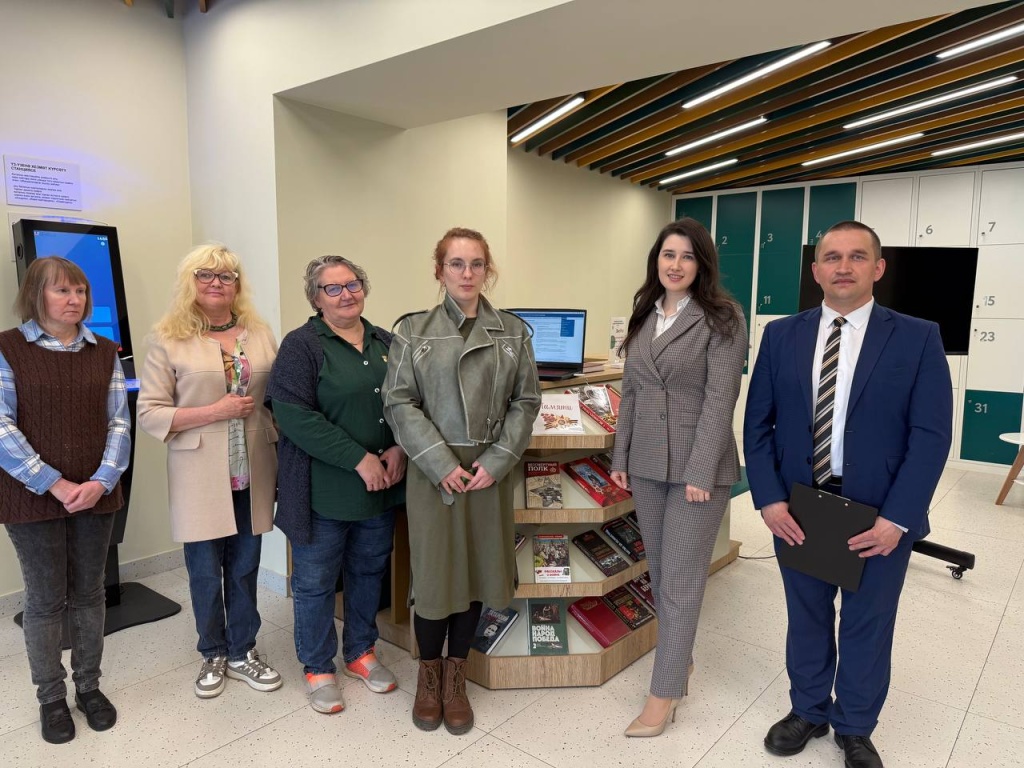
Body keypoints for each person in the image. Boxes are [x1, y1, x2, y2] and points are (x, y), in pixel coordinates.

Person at [743, 221, 952, 768]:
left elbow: (931, 436)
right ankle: (808, 710)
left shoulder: (917, 336)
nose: (843, 266)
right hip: (800, 507)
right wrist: (769, 499)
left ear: (878, 268)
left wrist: (898, 518)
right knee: (806, 616)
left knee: (868, 623)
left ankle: (855, 726)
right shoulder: (780, 335)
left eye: (857, 256)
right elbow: (757, 424)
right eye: (831, 257)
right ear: (815, 271)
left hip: (878, 513)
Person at [383, 227, 541, 735]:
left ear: (487, 270)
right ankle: (428, 678)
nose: (467, 273)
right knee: (435, 577)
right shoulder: (413, 330)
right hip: (436, 474)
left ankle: (457, 680)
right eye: (456, 263)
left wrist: (497, 460)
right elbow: (398, 401)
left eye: (476, 264)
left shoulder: (513, 332)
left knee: (476, 573)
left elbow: (526, 402)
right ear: (440, 270)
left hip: (487, 474)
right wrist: (439, 461)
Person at [609, 218, 746, 738]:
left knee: (683, 582)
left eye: (687, 256)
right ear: (656, 260)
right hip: (647, 462)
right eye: (668, 254)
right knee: (663, 574)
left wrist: (701, 469)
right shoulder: (645, 312)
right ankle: (680, 662)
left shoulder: (722, 317)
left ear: (701, 263)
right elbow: (632, 391)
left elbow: (720, 398)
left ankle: (662, 694)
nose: (676, 264)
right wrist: (620, 455)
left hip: (697, 470)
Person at [138, 245, 283, 700]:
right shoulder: (167, 338)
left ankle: (242, 651)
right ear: (191, 282)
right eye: (206, 274)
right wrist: (214, 411)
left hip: (252, 469)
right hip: (198, 472)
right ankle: (213, 652)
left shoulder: (259, 334)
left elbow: (278, 398)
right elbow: (150, 412)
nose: (217, 283)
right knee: (204, 570)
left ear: (238, 285)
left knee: (245, 566)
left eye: (226, 275)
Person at [266, 255, 405, 715]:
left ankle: (361, 652)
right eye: (333, 288)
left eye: (353, 284)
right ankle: (317, 666)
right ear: (315, 298)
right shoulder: (301, 346)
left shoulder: (387, 342)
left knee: (368, 572)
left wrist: (399, 448)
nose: (346, 294)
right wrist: (358, 458)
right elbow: (293, 416)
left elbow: (409, 404)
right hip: (321, 491)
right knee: (315, 582)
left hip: (380, 489)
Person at [0, 257, 129, 744]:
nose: (75, 300)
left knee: (91, 593)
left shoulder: (105, 351)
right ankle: (51, 697)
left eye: (80, 291)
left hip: (96, 493)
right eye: (62, 291)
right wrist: (53, 483)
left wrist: (101, 480)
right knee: (45, 599)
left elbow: (119, 421)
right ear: (37, 294)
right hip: (31, 496)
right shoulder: (7, 348)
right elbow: (1, 425)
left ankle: (89, 687)